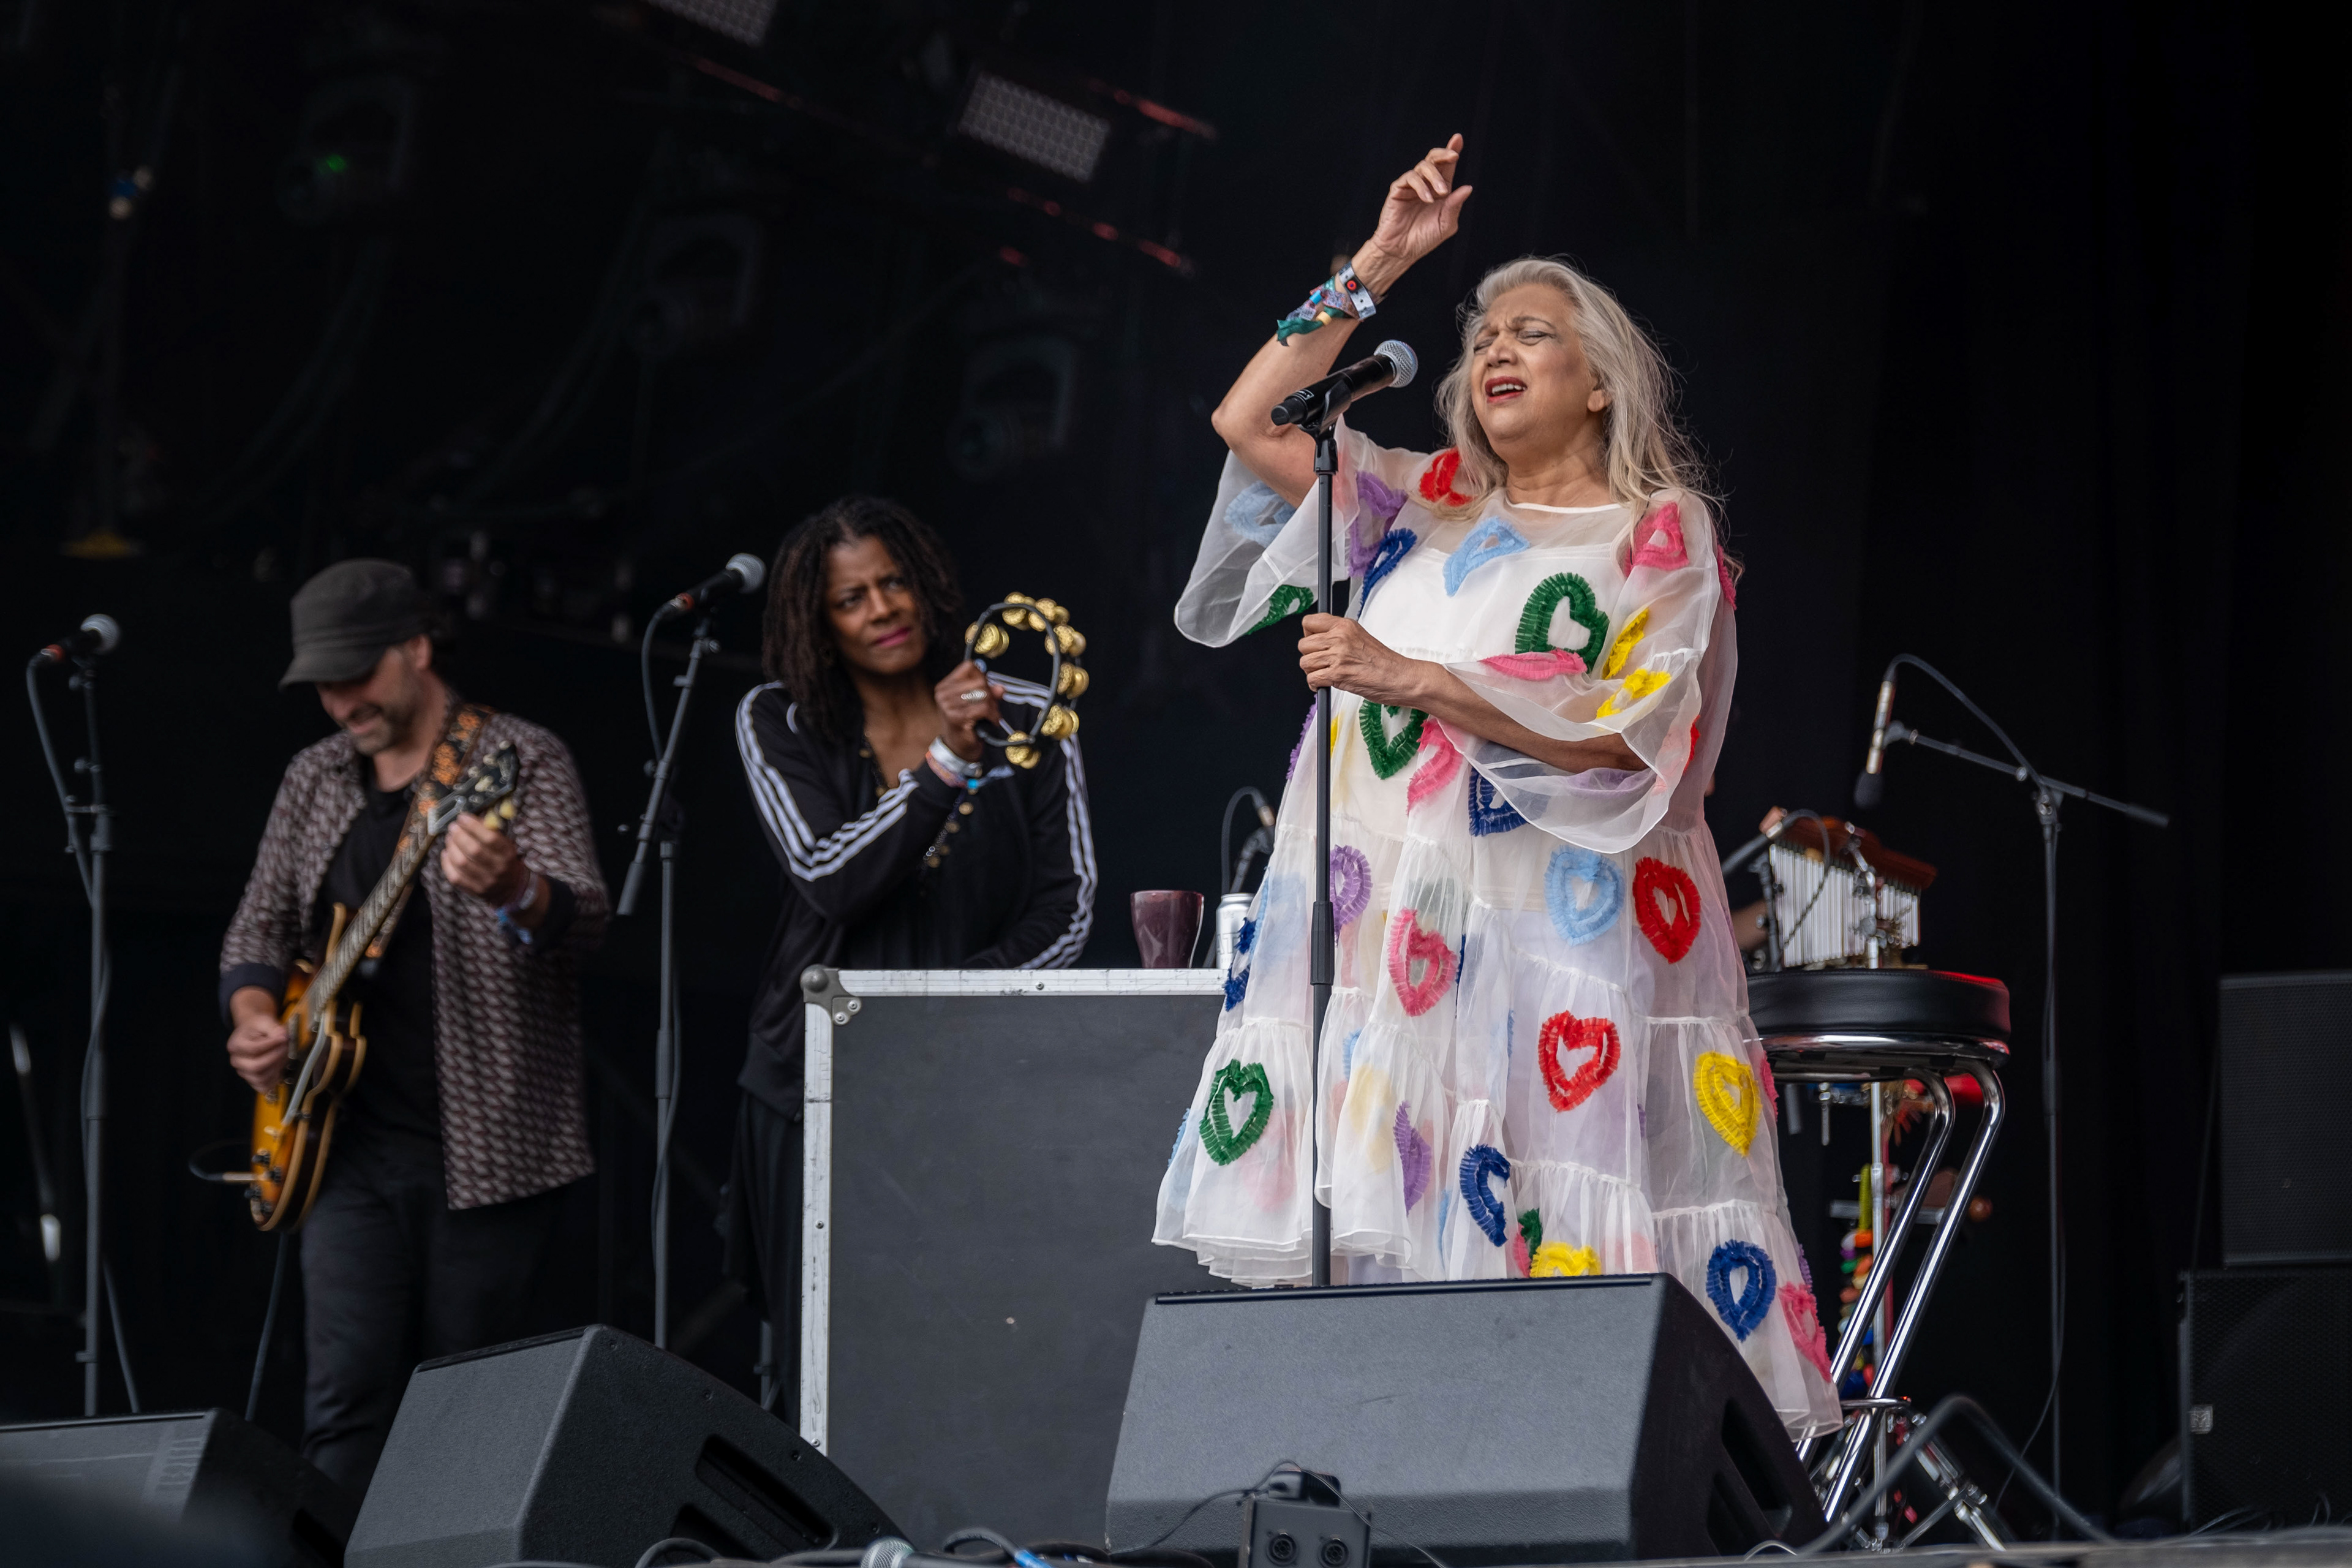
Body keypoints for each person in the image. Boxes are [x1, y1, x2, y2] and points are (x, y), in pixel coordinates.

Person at [1153, 135, 1839, 1438]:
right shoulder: (1419, 501)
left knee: (1553, 1263)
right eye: (1482, 338)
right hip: (1400, 945)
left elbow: (1631, 731)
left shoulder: (1658, 528)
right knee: (1399, 1289)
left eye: (1533, 333)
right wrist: (1379, 263)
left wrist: (1411, 675)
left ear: (1602, 384)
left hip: (1556, 947)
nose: (1494, 352)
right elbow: (1251, 423)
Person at [219, 559, 608, 1494]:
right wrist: (256, 1017)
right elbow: (258, 928)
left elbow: (587, 920)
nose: (339, 700)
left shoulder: (520, 757)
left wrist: (515, 887)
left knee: (469, 1419)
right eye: (323, 683)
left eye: (356, 673)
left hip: (490, 1150)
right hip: (340, 1144)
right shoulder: (314, 776)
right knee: (341, 1408)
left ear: (419, 648)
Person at [726, 495, 1095, 1401]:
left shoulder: (1025, 714)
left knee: (962, 1342)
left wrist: (951, 1008)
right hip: (810, 1085)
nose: (882, 609)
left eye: (892, 583)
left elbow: (1069, 905)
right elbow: (828, 876)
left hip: (971, 1082)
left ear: (925, 586)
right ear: (817, 621)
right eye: (850, 599)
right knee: (818, 1357)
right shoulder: (780, 718)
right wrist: (942, 766)